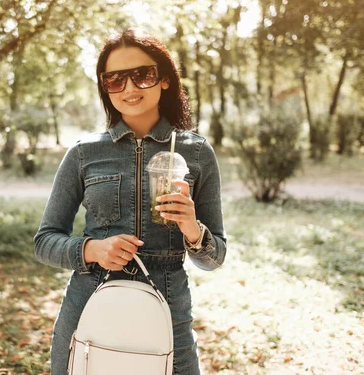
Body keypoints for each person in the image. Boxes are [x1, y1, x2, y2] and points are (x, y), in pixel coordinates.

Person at [34, 27, 227, 375]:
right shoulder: (84, 153)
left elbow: (215, 259)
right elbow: (45, 240)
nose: (130, 88)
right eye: (115, 80)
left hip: (169, 309)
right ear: (104, 87)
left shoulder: (196, 152)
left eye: (142, 75)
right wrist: (93, 250)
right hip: (89, 305)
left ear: (165, 79)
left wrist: (192, 229)